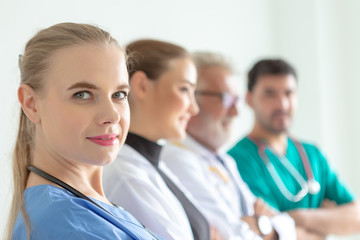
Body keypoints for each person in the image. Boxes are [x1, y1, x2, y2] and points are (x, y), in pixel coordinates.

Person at [7, 22, 163, 240]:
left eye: (119, 94)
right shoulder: (63, 225)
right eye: (82, 94)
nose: (112, 115)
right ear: (31, 104)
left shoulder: (89, 207)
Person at [160, 51, 297, 240]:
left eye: (236, 100)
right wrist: (266, 227)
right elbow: (233, 236)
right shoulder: (176, 160)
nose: (235, 112)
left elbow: (288, 227)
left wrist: (261, 225)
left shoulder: (224, 160)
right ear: (192, 97)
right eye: (225, 99)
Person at [228, 58, 360, 238]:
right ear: (249, 99)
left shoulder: (312, 154)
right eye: (270, 94)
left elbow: (356, 219)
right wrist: (326, 225)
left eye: (289, 93)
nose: (282, 104)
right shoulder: (237, 161)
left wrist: (297, 219)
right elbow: (265, 233)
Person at [103, 40, 220, 240]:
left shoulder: (154, 164)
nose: (194, 108)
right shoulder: (126, 175)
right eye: (184, 89)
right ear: (141, 86)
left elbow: (215, 232)